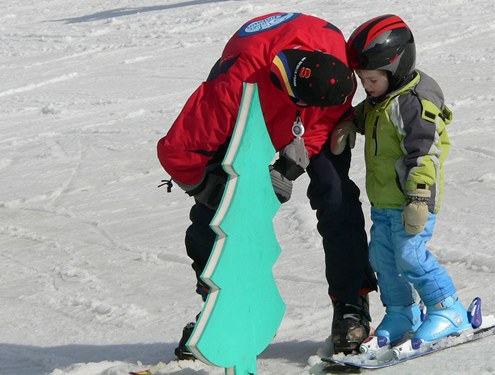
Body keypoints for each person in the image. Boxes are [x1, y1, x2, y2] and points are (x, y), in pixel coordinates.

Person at [157, 12, 376, 357]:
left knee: (335, 198)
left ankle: (351, 304)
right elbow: (178, 152)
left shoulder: (336, 77)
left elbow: (326, 119)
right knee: (216, 220)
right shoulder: (230, 91)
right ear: (297, 99)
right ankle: (220, 310)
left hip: (301, 106)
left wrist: (290, 166)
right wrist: (211, 192)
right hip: (250, 108)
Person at [331, 14, 472, 348]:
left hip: (412, 201)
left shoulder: (411, 104)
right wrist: (351, 122)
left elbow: (425, 154)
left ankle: (448, 308)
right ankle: (400, 311)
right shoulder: (384, 98)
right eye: (362, 80)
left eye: (372, 80)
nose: (366, 87)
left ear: (395, 69)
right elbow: (368, 113)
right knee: (382, 258)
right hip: (384, 202)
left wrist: (420, 197)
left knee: (411, 255)